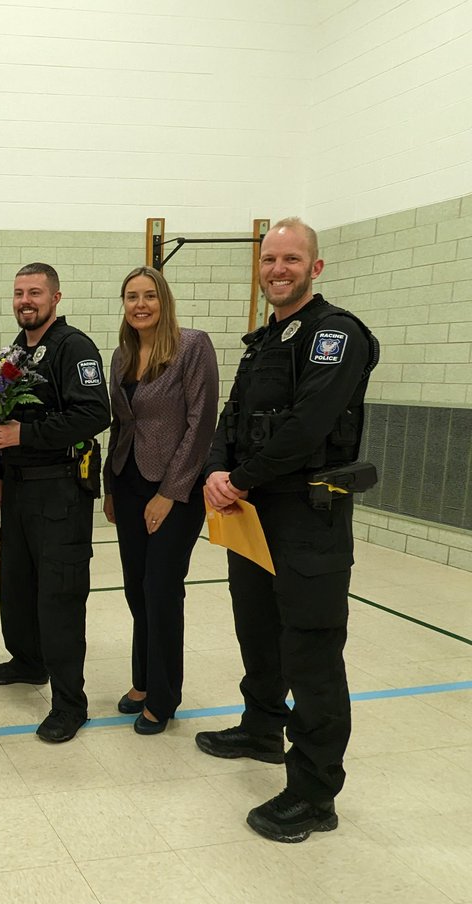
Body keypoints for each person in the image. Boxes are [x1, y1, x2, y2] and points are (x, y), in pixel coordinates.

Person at [198, 217, 378, 843]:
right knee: (257, 627)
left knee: (312, 648)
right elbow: (232, 415)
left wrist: (237, 479)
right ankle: (260, 727)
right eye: (270, 257)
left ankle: (314, 792)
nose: (278, 268)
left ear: (315, 267)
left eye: (292, 259)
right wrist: (218, 470)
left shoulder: (336, 335)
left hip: (308, 517)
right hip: (252, 514)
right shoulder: (265, 340)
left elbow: (307, 427)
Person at [0, 262, 110, 743]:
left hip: (59, 491)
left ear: (56, 297)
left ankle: (69, 703)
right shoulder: (16, 352)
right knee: (18, 583)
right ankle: (28, 661)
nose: (25, 301)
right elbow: (2, 414)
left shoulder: (74, 348)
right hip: (18, 488)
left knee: (58, 595)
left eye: (35, 292)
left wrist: (25, 434)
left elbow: (96, 413)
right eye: (18, 293)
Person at [102, 266, 218, 735]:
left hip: (174, 487)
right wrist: (111, 487)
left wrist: (170, 493)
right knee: (135, 587)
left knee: (161, 589)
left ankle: (164, 696)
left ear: (164, 300)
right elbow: (120, 424)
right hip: (128, 481)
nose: (140, 304)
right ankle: (144, 681)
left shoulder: (192, 346)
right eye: (131, 296)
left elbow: (201, 423)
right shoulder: (121, 355)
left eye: (149, 295)